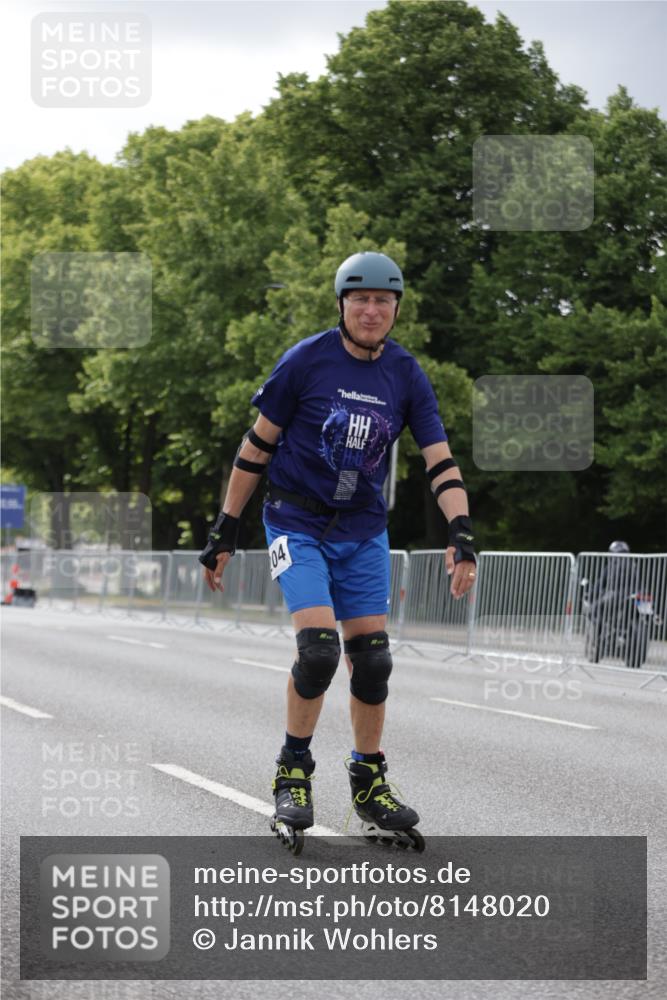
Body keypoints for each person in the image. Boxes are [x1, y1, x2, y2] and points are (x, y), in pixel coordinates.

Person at [199, 251, 476, 848]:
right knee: (321, 651)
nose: (372, 310)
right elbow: (255, 447)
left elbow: (440, 460)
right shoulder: (306, 360)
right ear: (342, 305)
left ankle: (368, 781)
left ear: (396, 308)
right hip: (294, 522)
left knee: (372, 659)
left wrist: (462, 534)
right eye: (361, 299)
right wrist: (227, 527)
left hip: (362, 529)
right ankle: (292, 773)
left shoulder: (405, 374)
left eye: (384, 301)